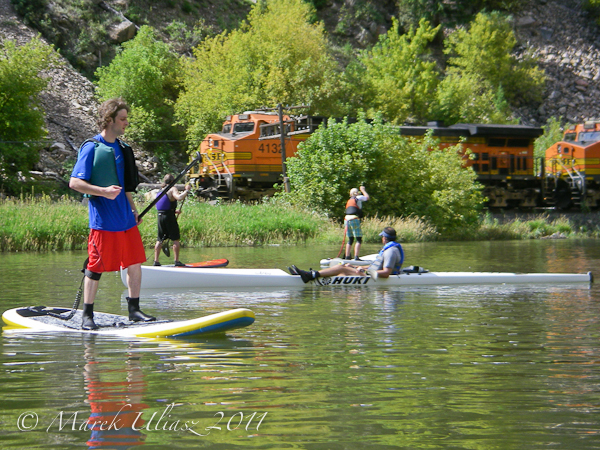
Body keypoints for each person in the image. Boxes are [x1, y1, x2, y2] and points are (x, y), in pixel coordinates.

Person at [69, 98, 155, 330]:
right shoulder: (91, 147)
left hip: (126, 219)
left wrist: (134, 209)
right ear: (109, 120)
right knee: (95, 268)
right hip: (103, 222)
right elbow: (75, 182)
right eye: (123, 119)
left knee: (135, 263)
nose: (127, 123)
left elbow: (125, 186)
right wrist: (103, 192)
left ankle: (134, 310)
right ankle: (87, 315)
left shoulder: (123, 149)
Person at [291, 227, 403, 283]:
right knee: (344, 270)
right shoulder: (389, 249)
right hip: (369, 274)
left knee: (341, 268)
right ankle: (313, 276)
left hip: (374, 278)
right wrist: (355, 267)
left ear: (384, 238)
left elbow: (386, 273)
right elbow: (375, 266)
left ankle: (311, 275)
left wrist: (364, 271)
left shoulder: (390, 251)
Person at [153, 174, 192, 266]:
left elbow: (162, 206)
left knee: (160, 239)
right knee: (175, 239)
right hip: (169, 218)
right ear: (172, 181)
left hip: (160, 217)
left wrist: (173, 211)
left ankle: (156, 261)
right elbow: (179, 198)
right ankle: (177, 261)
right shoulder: (172, 188)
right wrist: (187, 190)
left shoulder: (160, 190)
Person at [344, 186, 369, 260]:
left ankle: (347, 257)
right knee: (358, 239)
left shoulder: (349, 200)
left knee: (350, 239)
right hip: (354, 218)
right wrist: (363, 190)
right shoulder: (358, 197)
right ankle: (356, 257)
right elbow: (367, 197)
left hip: (346, 219)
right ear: (356, 193)